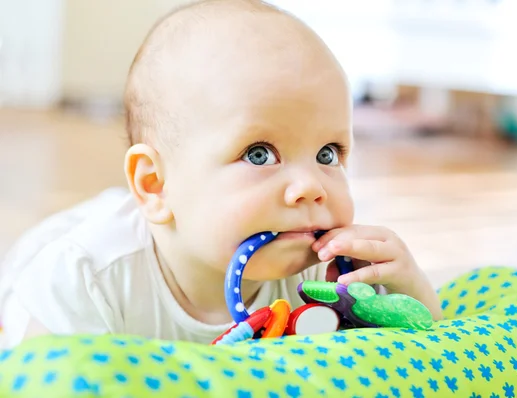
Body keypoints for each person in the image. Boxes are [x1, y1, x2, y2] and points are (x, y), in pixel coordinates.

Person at [0, 0, 442, 349]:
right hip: (45, 255)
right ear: (156, 184)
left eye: (328, 154)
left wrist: (409, 286)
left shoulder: (324, 278)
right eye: (258, 154)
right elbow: (47, 375)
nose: (310, 186)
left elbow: (420, 350)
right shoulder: (85, 279)